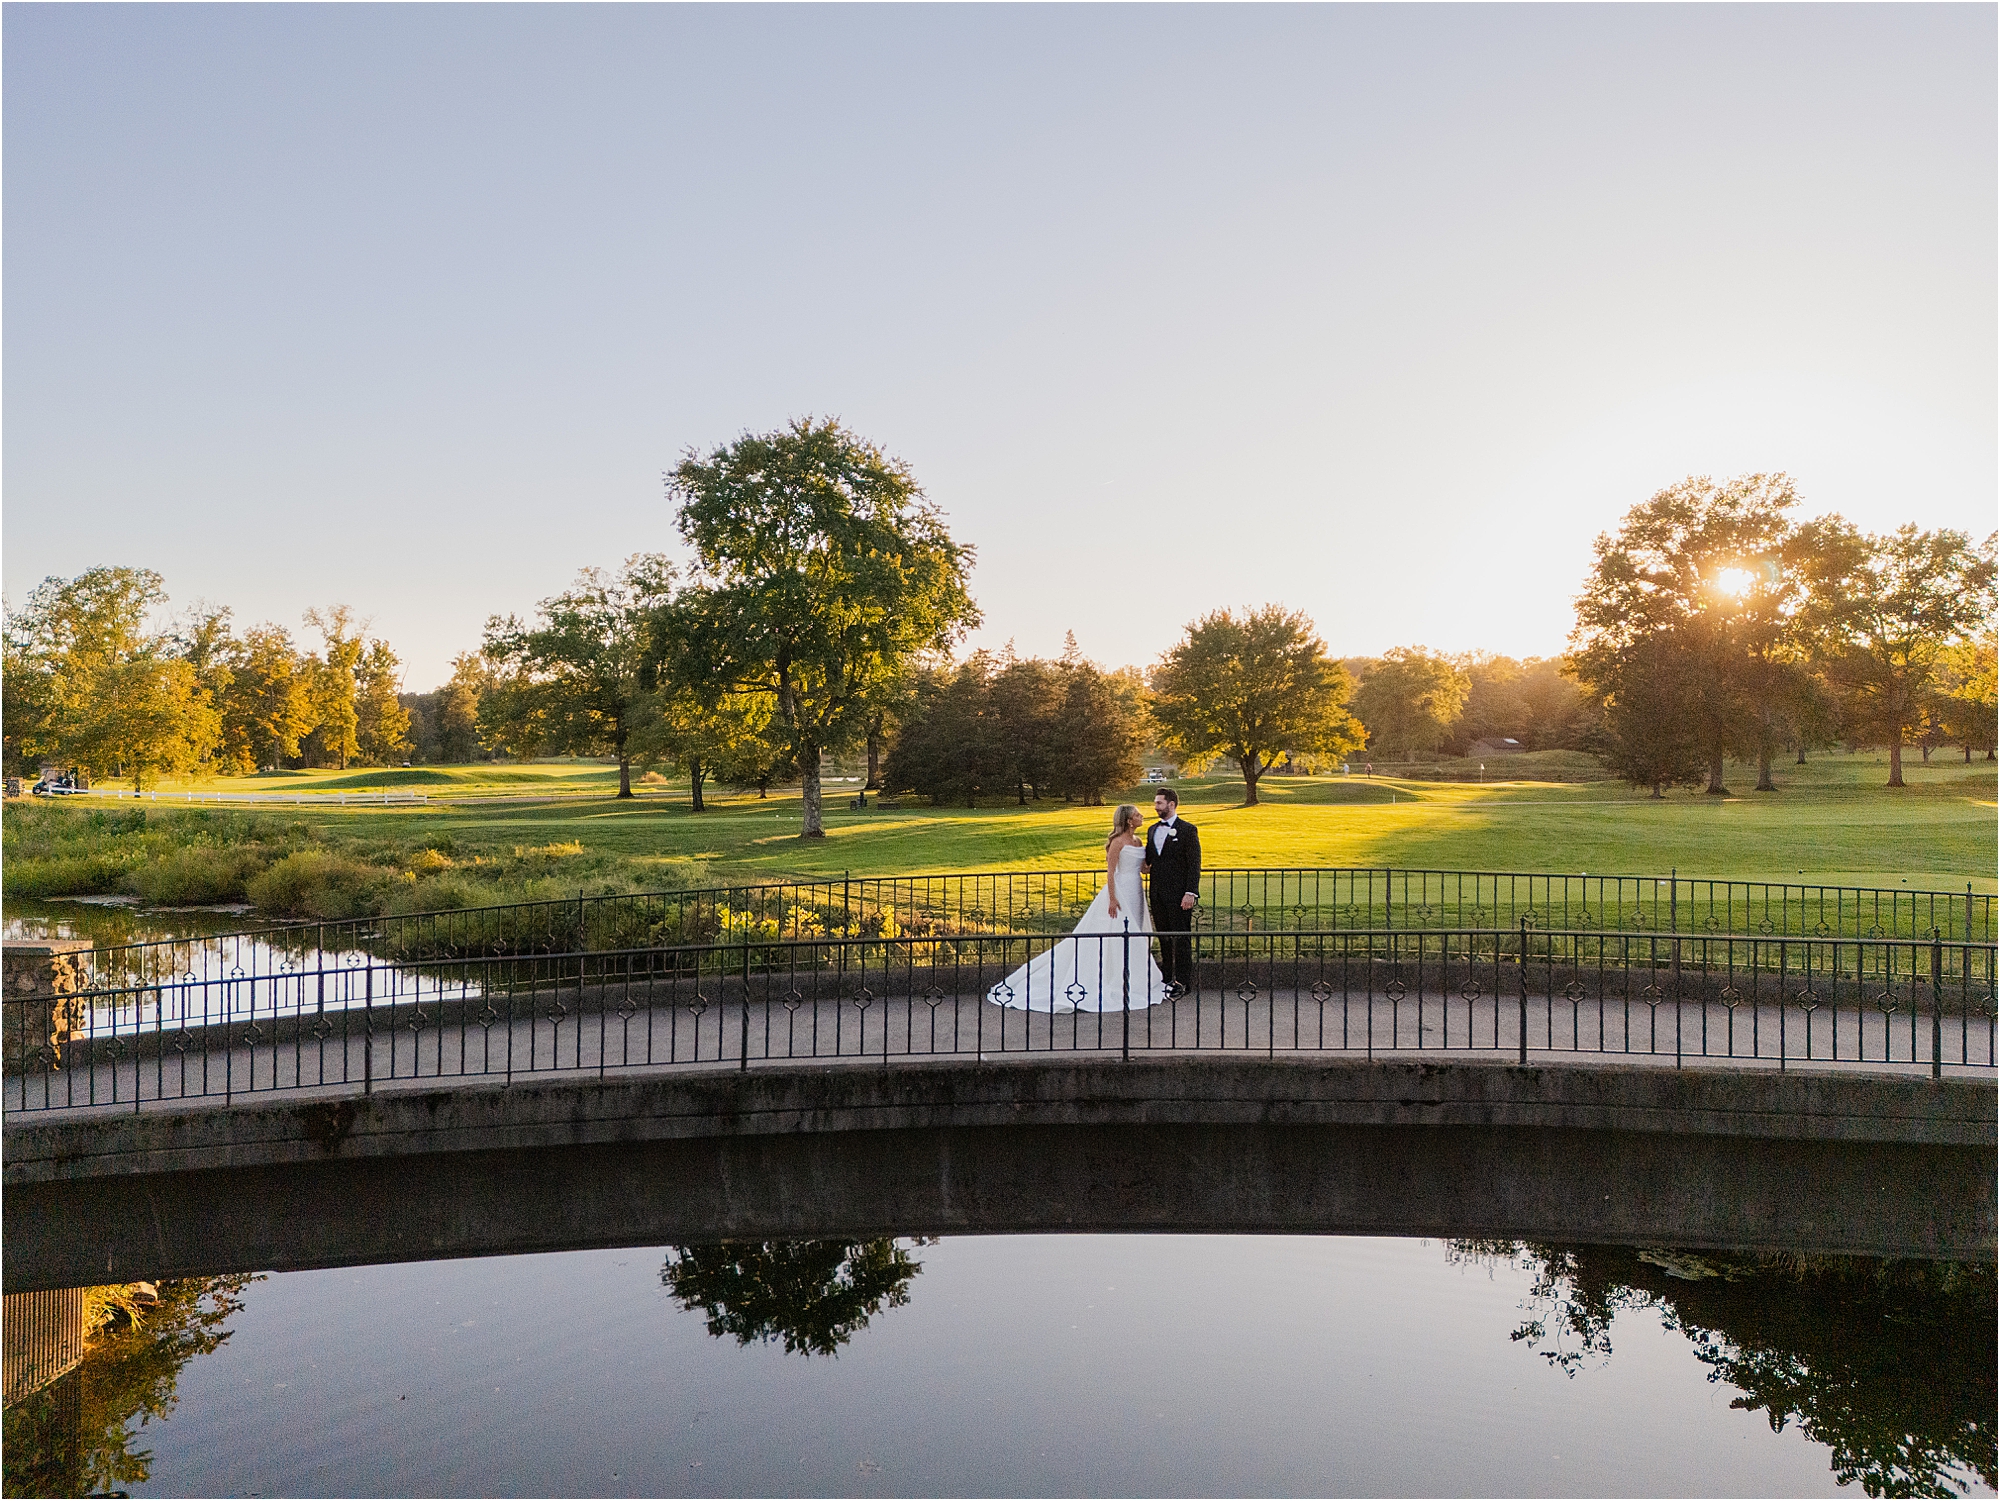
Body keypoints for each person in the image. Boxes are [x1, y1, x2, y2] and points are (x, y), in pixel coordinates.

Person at [987, 804, 1166, 1011]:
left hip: (1136, 889)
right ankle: (1114, 976)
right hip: (1121, 890)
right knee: (1118, 932)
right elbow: (1110, 872)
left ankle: (1132, 976)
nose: (1141, 816)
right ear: (1128, 820)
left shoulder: (1138, 840)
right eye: (1137, 814)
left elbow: (1143, 868)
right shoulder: (1117, 842)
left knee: (1135, 932)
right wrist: (1112, 898)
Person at [1144, 787, 1200, 996]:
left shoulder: (1187, 830)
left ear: (1172, 804)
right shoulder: (1152, 829)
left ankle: (1183, 982)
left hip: (1179, 895)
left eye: (1159, 803)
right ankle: (1167, 978)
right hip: (1157, 893)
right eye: (1155, 802)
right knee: (1164, 937)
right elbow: (1149, 860)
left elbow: (1194, 864)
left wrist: (1190, 892)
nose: (1156, 806)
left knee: (1181, 938)